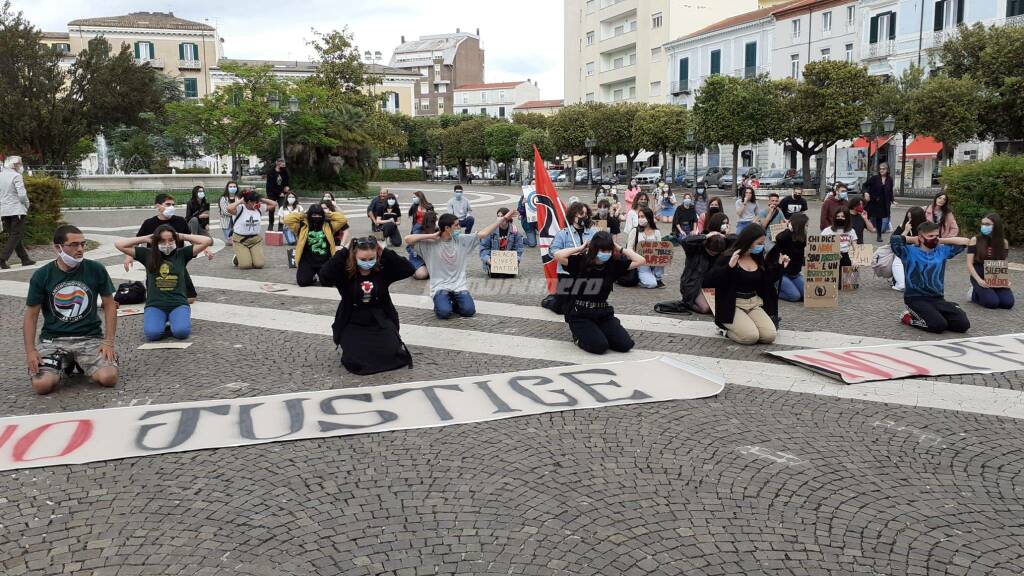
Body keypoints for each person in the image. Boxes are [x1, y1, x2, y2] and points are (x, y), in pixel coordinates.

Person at [24, 225, 118, 394]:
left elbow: (110, 304)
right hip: (54, 341)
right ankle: (66, 363)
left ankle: (78, 361)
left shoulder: (96, 269)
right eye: (74, 245)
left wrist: (108, 342)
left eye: (83, 244)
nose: (80, 249)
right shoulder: (42, 275)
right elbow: (31, 316)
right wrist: (31, 350)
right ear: (57, 247)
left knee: (108, 378)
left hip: (90, 338)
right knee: (42, 385)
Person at [319, 230, 417, 375]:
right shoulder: (345, 273)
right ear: (354, 256)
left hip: (380, 319)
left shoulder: (382, 270)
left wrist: (384, 251)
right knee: (357, 360)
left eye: (371, 258)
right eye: (363, 259)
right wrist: (344, 250)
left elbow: (408, 269)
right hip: (352, 321)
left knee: (391, 354)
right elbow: (324, 276)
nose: (367, 263)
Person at [405, 211, 515, 319]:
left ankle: (450, 303)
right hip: (440, 287)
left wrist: (502, 219)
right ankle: (441, 304)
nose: (460, 227)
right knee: (444, 313)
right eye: (456, 225)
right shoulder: (430, 245)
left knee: (469, 311)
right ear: (447, 228)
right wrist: (432, 235)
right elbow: (407, 239)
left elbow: (484, 233)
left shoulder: (461, 239)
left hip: (459, 287)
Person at [553, 231, 646, 354]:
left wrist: (620, 248)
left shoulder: (613, 264)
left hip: (603, 313)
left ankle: (599, 333)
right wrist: (580, 248)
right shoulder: (582, 262)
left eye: (608, 250)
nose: (606, 254)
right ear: (595, 249)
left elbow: (641, 260)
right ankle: (578, 337)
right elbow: (558, 255)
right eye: (603, 250)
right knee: (600, 346)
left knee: (625, 345)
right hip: (580, 313)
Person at [114, 227, 211, 341]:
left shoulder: (182, 254)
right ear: (156, 241)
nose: (167, 244)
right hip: (155, 305)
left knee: (181, 332)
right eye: (162, 241)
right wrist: (145, 238)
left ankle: (175, 320)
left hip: (178, 303)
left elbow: (207, 241)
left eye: (171, 240)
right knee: (152, 335)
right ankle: (164, 321)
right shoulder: (147, 254)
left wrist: (181, 236)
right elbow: (119, 244)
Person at [704, 224, 788, 345]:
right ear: (749, 241)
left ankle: (746, 324)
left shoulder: (758, 258)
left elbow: (766, 282)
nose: (762, 246)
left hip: (753, 303)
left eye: (763, 243)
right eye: (759, 243)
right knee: (750, 337)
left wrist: (780, 267)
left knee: (769, 336)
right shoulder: (729, 257)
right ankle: (724, 330)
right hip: (732, 304)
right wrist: (729, 267)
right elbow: (709, 282)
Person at [891, 222, 970, 333]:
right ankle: (908, 318)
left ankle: (940, 313)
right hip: (915, 298)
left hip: (937, 298)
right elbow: (895, 239)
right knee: (938, 325)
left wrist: (940, 240)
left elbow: (965, 241)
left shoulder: (942, 251)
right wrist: (913, 239)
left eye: (936, 236)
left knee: (963, 325)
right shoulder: (908, 252)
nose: (934, 239)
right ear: (921, 238)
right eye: (930, 236)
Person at [130, 193, 202, 303]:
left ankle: (173, 301)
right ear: (158, 206)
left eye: (173, 205)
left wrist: (205, 248)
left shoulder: (180, 221)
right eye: (168, 204)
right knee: (154, 297)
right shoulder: (149, 223)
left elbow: (192, 238)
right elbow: (137, 241)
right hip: (155, 262)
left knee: (191, 297)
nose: (171, 207)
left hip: (177, 260)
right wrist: (128, 256)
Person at [542, 202, 598, 314]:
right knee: (562, 309)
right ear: (573, 216)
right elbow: (553, 252)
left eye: (586, 214)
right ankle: (550, 301)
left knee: (581, 304)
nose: (585, 217)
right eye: (581, 214)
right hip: (566, 273)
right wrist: (576, 251)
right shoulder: (563, 234)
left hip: (586, 273)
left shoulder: (593, 233)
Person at [656, 231, 729, 315]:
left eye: (716, 253)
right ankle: (687, 304)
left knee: (718, 309)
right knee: (705, 309)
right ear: (705, 245)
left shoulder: (720, 249)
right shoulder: (694, 249)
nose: (713, 254)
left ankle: (699, 301)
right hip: (692, 286)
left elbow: (737, 240)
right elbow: (685, 241)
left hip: (710, 287)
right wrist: (705, 236)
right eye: (710, 251)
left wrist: (725, 236)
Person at [283, 203, 349, 287]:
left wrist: (327, 214)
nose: (316, 217)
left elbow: (343, 219)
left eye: (319, 215)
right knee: (303, 282)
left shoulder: (329, 226)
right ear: (310, 215)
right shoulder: (302, 226)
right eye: (314, 214)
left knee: (327, 283)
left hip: (325, 260)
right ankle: (312, 276)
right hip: (307, 261)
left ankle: (323, 274)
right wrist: (303, 214)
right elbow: (287, 219)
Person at [967, 213, 1014, 310]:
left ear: (996, 225)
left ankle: (991, 291)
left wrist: (1005, 281)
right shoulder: (975, 240)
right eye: (982, 224)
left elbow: (1003, 263)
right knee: (992, 303)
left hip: (995, 275)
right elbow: (969, 264)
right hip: (979, 275)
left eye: (987, 224)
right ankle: (973, 293)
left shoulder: (1004, 242)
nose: (984, 226)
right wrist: (979, 280)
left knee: (1008, 303)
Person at [227, 191, 277, 269]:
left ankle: (246, 254)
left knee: (259, 264)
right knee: (245, 266)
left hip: (254, 240)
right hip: (240, 240)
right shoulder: (240, 209)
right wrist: (240, 201)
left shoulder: (259, 208)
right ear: (249, 202)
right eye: (255, 201)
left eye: (258, 201)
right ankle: (237, 257)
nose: (257, 203)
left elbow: (274, 204)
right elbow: (229, 208)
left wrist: (261, 199)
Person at [0, 155, 34, 269]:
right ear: (14, 165)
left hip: (4, 211)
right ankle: (2, 258)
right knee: (15, 235)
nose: (21, 165)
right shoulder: (16, 176)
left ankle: (24, 258)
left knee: (14, 235)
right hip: (16, 210)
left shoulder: (1, 175)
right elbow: (22, 195)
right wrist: (27, 205)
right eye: (19, 163)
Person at [770, 213, 808, 302]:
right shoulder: (785, 237)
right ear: (800, 226)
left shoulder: (802, 238)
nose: (807, 227)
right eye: (806, 225)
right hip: (782, 274)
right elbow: (778, 238)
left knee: (806, 295)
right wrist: (788, 230)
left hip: (794, 273)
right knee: (795, 296)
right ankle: (771, 290)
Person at [480, 207, 525, 278]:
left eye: (502, 217)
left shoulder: (515, 232)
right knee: (495, 275)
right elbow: (484, 248)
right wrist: (488, 259)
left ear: (508, 218)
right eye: (498, 216)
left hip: (508, 261)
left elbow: (519, 248)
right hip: (493, 260)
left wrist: (516, 259)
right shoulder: (491, 231)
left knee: (509, 276)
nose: (500, 219)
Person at [891, 206, 928, 292]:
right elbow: (894, 241)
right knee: (898, 259)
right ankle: (900, 283)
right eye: (908, 217)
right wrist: (906, 231)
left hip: (919, 253)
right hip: (903, 252)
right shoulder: (903, 226)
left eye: (911, 218)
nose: (909, 220)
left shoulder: (925, 228)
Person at [626, 207, 665, 288]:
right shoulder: (635, 231)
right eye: (639, 217)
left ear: (649, 217)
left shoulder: (657, 232)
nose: (640, 219)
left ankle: (658, 278)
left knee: (663, 257)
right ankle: (642, 278)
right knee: (652, 284)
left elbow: (660, 250)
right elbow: (629, 249)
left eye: (643, 217)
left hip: (654, 263)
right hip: (641, 263)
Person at [864, 163, 895, 242]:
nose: (881, 170)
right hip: (873, 202)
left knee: (879, 219)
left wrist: (892, 200)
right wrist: (866, 193)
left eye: (883, 169)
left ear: (887, 170)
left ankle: (879, 236)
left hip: (883, 203)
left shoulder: (890, 179)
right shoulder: (875, 178)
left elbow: (890, 191)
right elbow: (865, 185)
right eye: (880, 169)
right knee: (865, 217)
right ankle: (857, 232)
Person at [407, 211, 437, 280]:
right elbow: (409, 243)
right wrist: (430, 237)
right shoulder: (418, 229)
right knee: (422, 274)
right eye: (435, 221)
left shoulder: (438, 229)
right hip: (418, 258)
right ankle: (412, 270)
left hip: (433, 258)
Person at [265, 158, 289, 230]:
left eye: (283, 162)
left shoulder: (285, 172)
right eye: (281, 162)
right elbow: (270, 185)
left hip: (281, 193)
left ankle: (280, 225)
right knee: (271, 209)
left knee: (282, 208)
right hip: (272, 193)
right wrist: (279, 193)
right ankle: (271, 224)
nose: (282, 164)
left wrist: (286, 190)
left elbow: (287, 183)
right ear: (277, 163)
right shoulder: (271, 172)